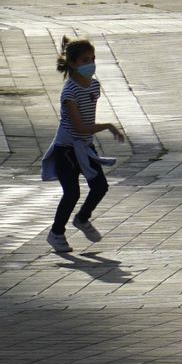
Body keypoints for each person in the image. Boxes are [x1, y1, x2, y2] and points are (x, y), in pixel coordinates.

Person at [41, 36, 124, 254]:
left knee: (100, 186)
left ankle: (82, 218)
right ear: (73, 64)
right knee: (72, 193)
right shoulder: (69, 92)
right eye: (85, 60)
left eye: (92, 59)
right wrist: (108, 126)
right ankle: (56, 233)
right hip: (67, 149)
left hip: (85, 147)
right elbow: (79, 127)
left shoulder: (94, 86)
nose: (91, 64)